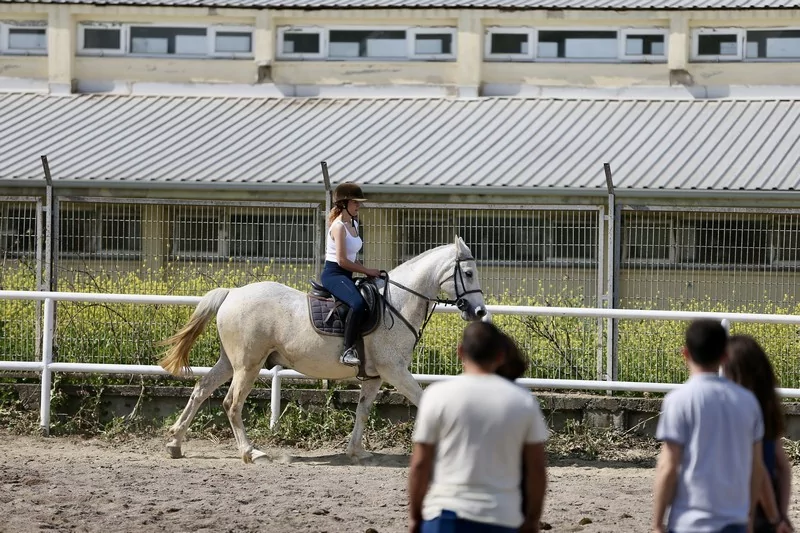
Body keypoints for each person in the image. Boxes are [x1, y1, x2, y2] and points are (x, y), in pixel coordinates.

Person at [408, 322, 548, 533]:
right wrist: (532, 520)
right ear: (500, 356)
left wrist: (415, 516)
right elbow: (536, 469)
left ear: (460, 352)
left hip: (445, 516)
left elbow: (420, 464)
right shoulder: (523, 401)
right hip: (502, 518)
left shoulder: (436, 396)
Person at [652, 319, 767, 533]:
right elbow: (756, 466)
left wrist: (657, 523)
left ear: (685, 353)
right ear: (725, 356)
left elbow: (668, 466)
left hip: (689, 522)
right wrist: (749, 517)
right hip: (734, 520)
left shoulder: (678, 400)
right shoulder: (748, 401)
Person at [722, 335, 794, 533]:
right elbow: (783, 467)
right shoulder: (767, 407)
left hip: (744, 508)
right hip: (768, 509)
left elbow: (757, 469)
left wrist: (774, 518)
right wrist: (782, 514)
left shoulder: (739, 411)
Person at [320, 182, 381, 367]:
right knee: (357, 304)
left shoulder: (353, 223)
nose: (358, 205)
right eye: (355, 202)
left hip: (346, 274)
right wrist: (367, 271)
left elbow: (352, 257)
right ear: (344, 203)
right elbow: (342, 261)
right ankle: (347, 351)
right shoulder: (338, 226)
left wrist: (367, 271)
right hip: (334, 274)